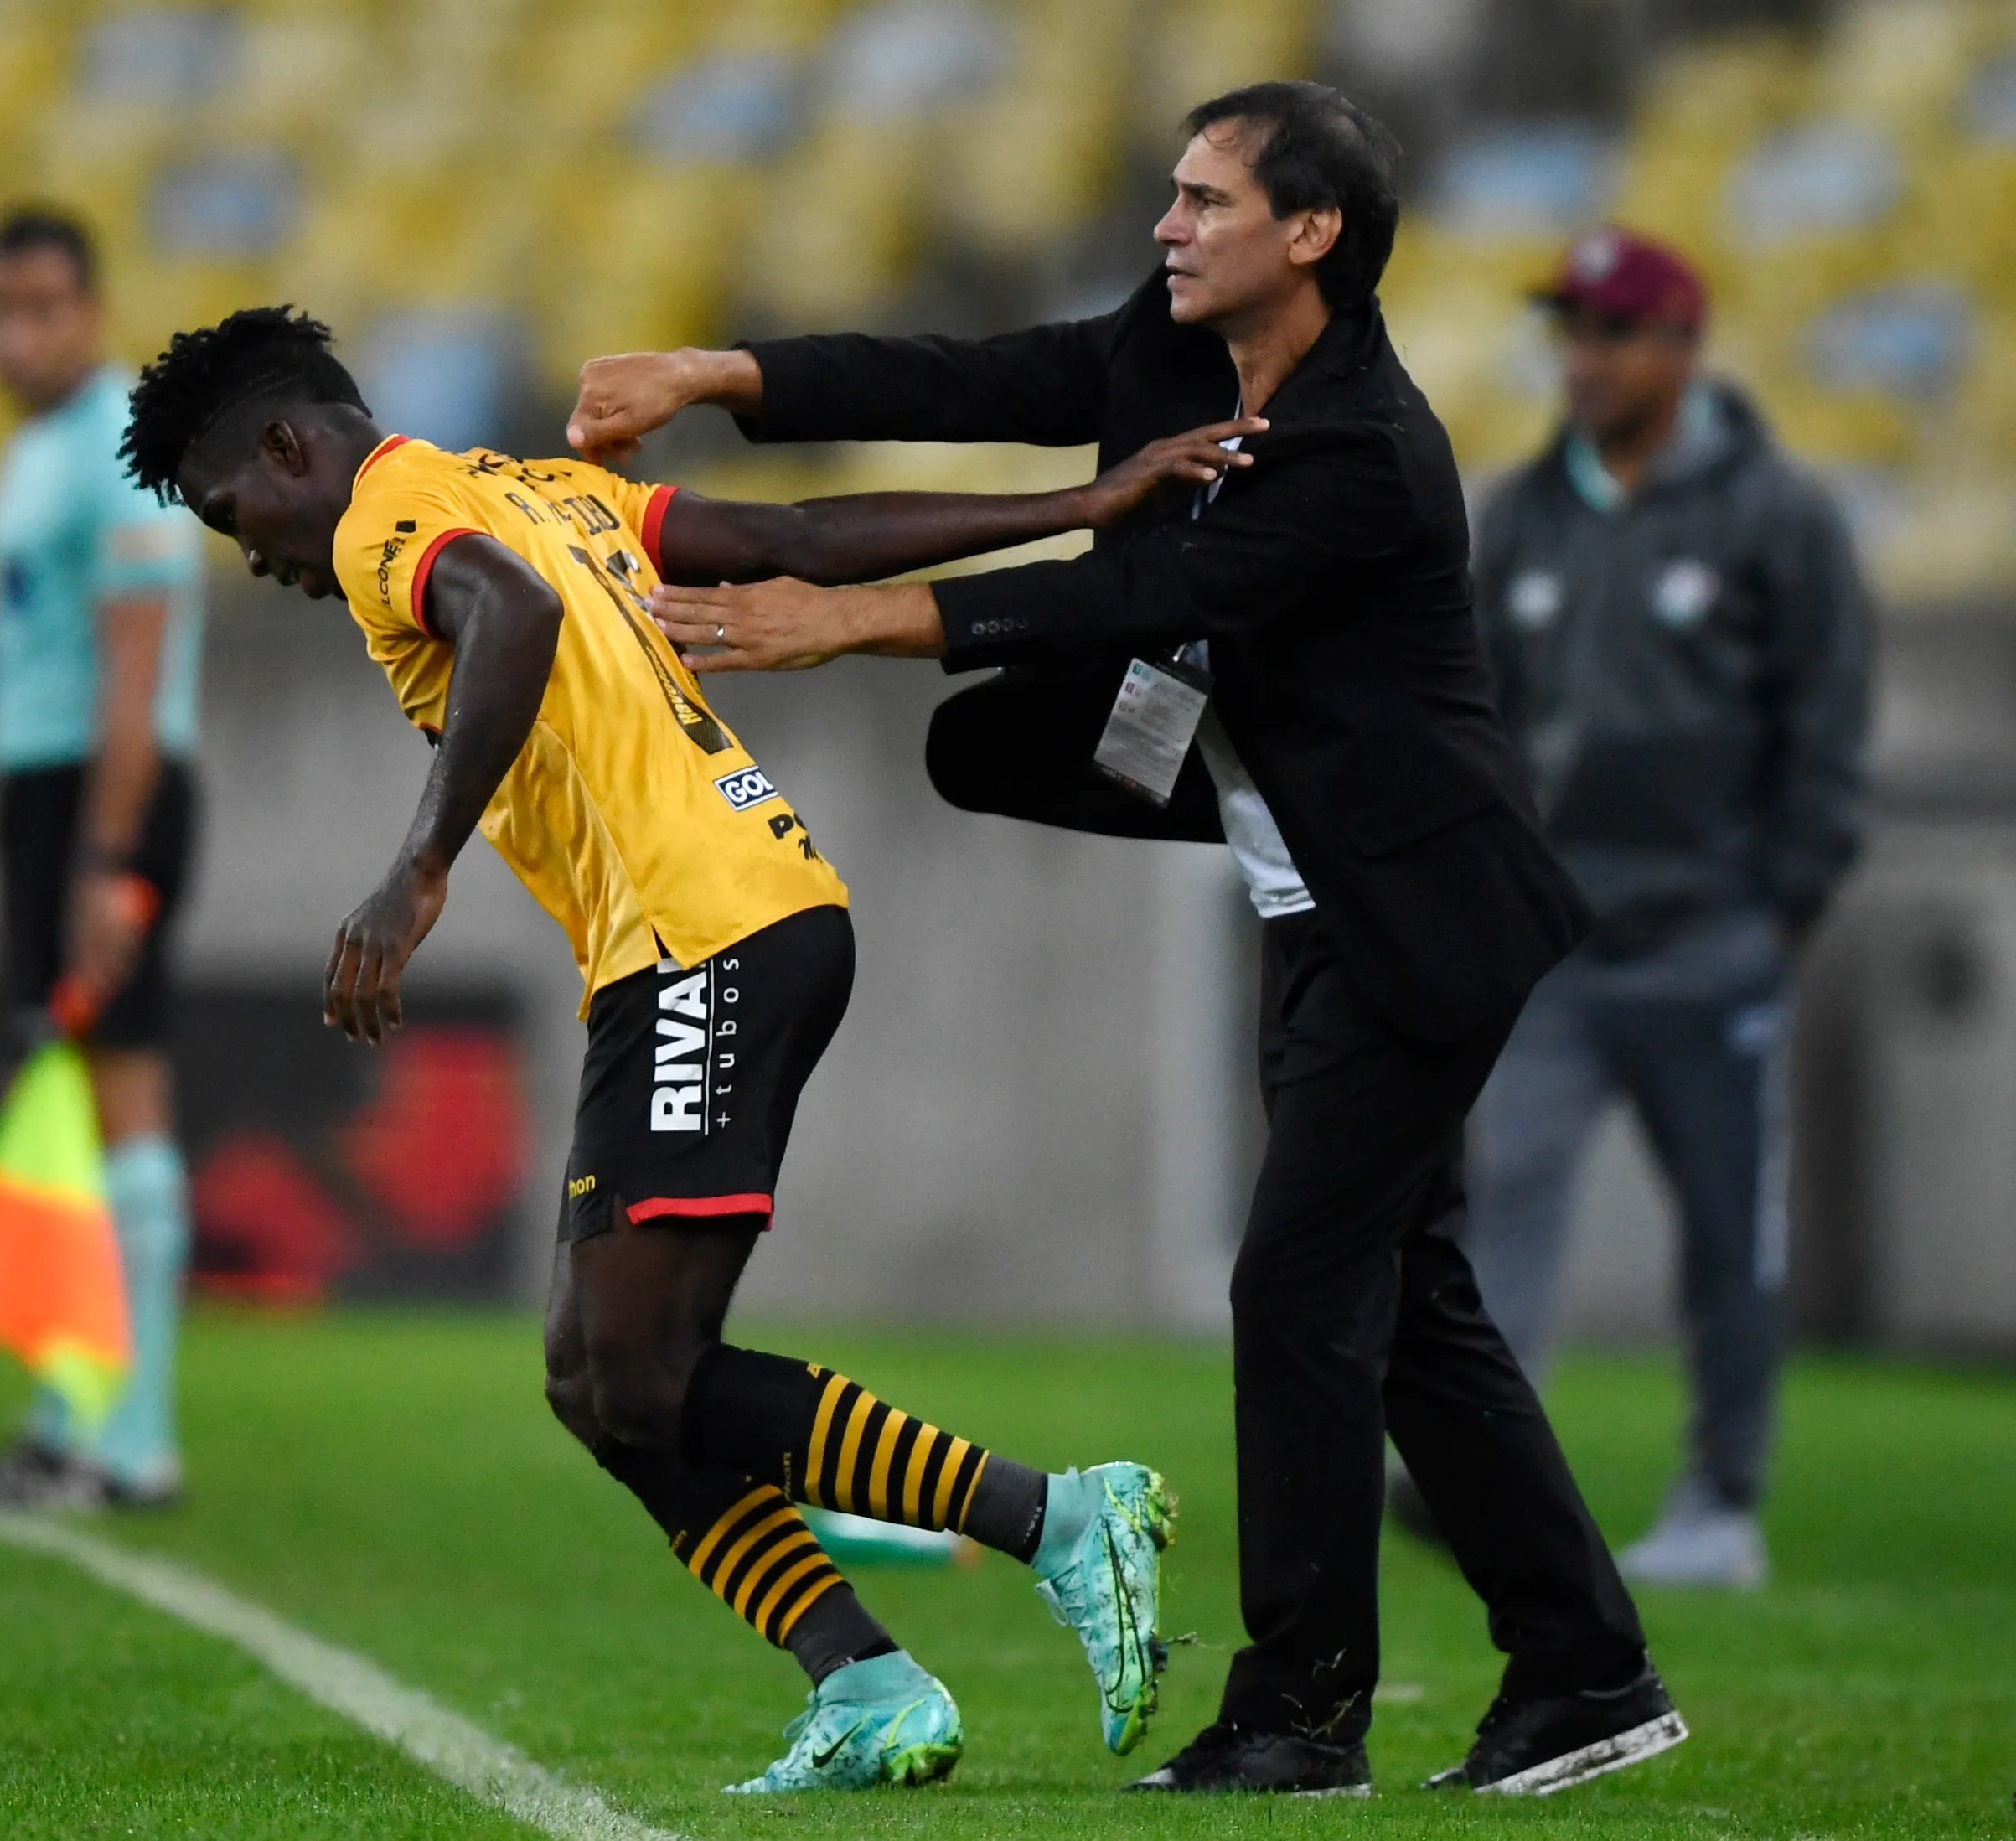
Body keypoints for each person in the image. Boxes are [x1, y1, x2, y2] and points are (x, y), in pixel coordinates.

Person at [566, 82, 1682, 1797]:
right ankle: (1588, 1671)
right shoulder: (1167, 360)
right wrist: (722, 378)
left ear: (1310, 237)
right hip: (1321, 910)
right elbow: (963, 378)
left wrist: (843, 614)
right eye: (1170, 195)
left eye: (1206, 202)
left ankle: (1302, 1715)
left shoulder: (1362, 448)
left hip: (1419, 923)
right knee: (1409, 1309)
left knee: (1302, 1292)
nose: (1168, 227)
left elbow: (1143, 594)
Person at [120, 305, 1259, 1793]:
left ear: (288, 447)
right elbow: (793, 534)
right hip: (715, 930)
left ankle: (1057, 1519)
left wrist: (418, 869)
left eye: (232, 512)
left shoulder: (388, 519)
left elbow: (509, 617)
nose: (253, 552)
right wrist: (1079, 503)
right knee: (596, 1377)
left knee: (639, 1371)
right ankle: (864, 1680)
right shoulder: (541, 488)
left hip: (701, 939)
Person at [1445, 227, 1870, 1589]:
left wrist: (1779, 905)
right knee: (1497, 1205)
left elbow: (1824, 722)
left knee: (1725, 1236)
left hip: (1707, 945)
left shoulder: (1776, 515)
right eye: (1568, 332)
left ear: (1681, 346)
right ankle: (1481, 1483)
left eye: (1610, 333)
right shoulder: (1520, 510)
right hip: (1557, 950)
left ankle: (1719, 1503)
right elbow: (1475, 716)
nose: (1581, 360)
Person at [0, 207, 204, 1513]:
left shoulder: (112, 445)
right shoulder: (38, 449)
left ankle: (126, 1442)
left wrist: (107, 855)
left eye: (44, 307)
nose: (19, 333)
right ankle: (72, 1425)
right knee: (66, 1095)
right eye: (2, 309)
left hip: (107, 796)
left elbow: (139, 655)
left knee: (119, 1092)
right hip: (48, 797)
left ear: (91, 313)